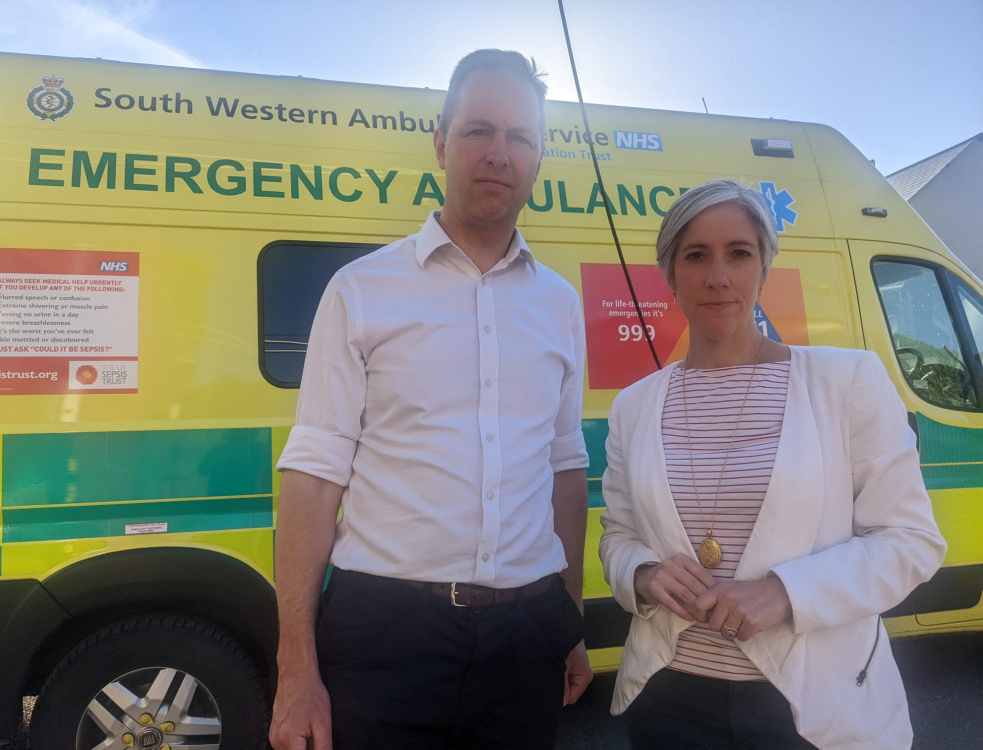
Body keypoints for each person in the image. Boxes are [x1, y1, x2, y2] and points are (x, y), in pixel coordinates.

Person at [268, 49, 592, 750]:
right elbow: (314, 473)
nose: (499, 154)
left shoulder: (561, 305)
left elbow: (565, 468)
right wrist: (296, 667)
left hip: (527, 634)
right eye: (478, 130)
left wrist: (568, 620)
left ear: (539, 158)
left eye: (521, 138)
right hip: (385, 634)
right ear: (441, 142)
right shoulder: (360, 290)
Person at [598, 179, 947, 749]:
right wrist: (641, 573)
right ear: (670, 275)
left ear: (763, 268)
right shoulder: (634, 405)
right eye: (696, 256)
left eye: (739, 253)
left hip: (809, 707)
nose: (718, 276)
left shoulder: (847, 381)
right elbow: (618, 536)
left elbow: (910, 541)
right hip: (669, 698)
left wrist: (788, 592)